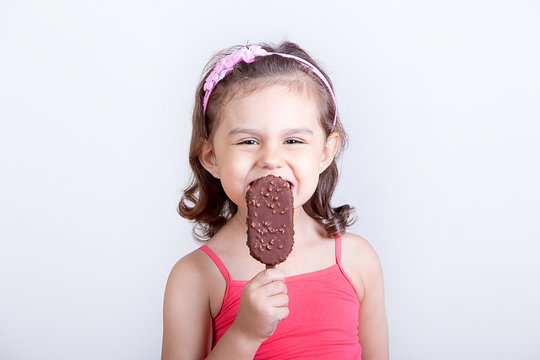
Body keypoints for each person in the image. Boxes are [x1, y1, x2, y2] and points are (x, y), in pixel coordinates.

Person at [161, 41, 389, 360]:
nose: (271, 159)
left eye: (293, 140)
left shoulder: (356, 260)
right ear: (211, 156)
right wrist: (245, 334)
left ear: (325, 151)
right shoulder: (195, 276)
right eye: (249, 141)